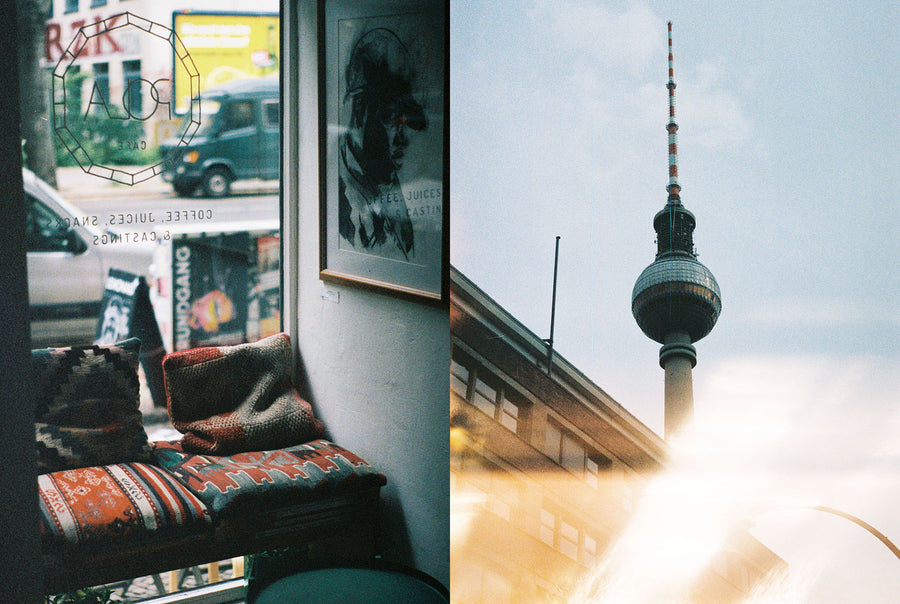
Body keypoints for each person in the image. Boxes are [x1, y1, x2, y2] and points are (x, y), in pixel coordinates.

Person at [339, 27, 427, 261]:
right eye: (389, 117)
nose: (402, 137)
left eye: (406, 121)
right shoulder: (341, 194)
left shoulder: (386, 181)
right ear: (359, 114)